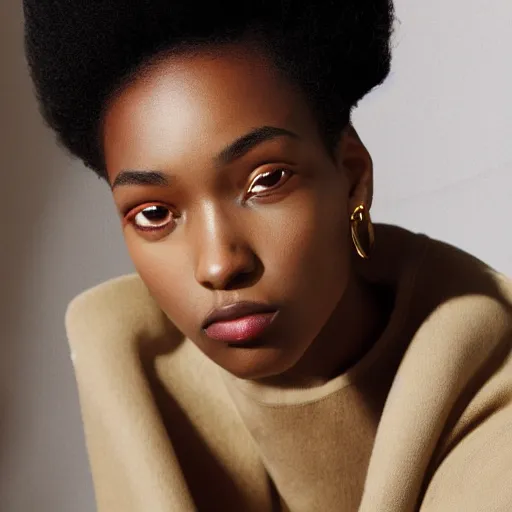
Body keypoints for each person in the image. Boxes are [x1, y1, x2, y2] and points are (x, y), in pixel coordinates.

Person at [23, 1, 512, 511]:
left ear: (351, 175)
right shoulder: (130, 361)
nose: (219, 264)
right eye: (153, 214)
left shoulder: (491, 383)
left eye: (266, 181)